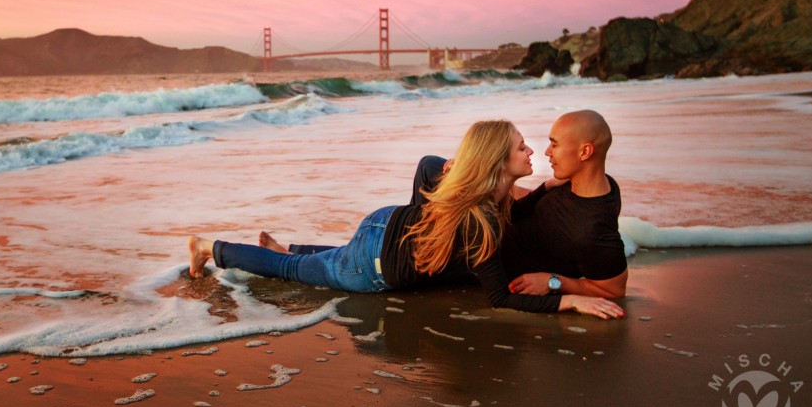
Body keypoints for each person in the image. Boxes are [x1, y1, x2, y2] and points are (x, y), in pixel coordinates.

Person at [188, 119, 625, 320]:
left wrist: (540, 193)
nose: (534, 153)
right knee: (291, 273)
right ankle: (209, 247)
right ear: (496, 164)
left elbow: (436, 167)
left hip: (386, 223)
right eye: (523, 148)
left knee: (314, 258)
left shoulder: (475, 194)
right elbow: (501, 298)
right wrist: (568, 299)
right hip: (372, 265)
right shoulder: (481, 223)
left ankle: (294, 248)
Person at [410, 110, 628, 299]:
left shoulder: (593, 232)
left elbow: (614, 290)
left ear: (584, 152)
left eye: (555, 144)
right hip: (499, 221)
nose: (546, 152)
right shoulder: (595, 184)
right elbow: (544, 210)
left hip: (485, 257)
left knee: (419, 231)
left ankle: (415, 257)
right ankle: (419, 238)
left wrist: (552, 281)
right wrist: (472, 171)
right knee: (431, 166)